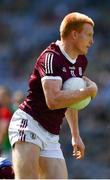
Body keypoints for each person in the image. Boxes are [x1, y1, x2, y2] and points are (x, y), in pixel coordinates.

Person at [8, 12, 98, 179]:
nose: (92, 41)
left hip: (51, 134)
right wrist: (89, 91)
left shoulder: (81, 61)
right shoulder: (50, 58)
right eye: (89, 35)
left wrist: (75, 135)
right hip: (29, 125)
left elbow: (71, 98)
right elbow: (54, 100)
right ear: (74, 34)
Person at [0, 86, 13, 161]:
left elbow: (3, 130)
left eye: (2, 96)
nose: (1, 98)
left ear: (8, 97)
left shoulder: (5, 111)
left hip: (6, 148)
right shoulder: (14, 108)